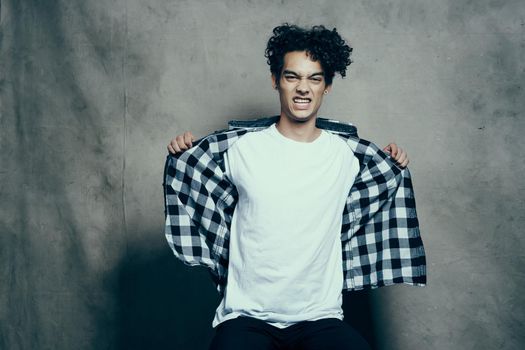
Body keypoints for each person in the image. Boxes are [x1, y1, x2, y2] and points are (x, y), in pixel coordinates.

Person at [163, 24, 426, 350]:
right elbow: (197, 176)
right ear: (276, 80)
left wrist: (393, 164)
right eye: (292, 77)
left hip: (320, 319)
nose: (303, 88)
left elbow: (379, 186)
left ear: (327, 86)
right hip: (247, 319)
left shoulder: (348, 158)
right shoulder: (240, 150)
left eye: (314, 78)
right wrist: (184, 153)